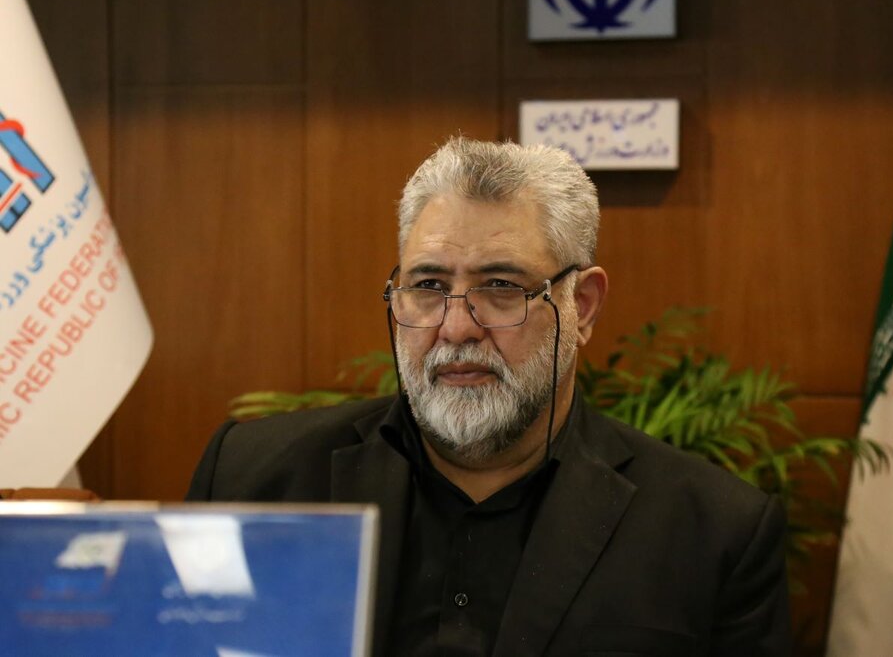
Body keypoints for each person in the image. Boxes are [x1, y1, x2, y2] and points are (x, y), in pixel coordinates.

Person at [187, 137, 790, 656]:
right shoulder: (253, 479)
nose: (456, 328)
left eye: (501, 286)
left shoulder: (713, 532)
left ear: (581, 308)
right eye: (428, 285)